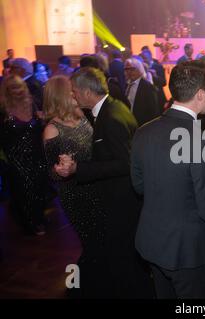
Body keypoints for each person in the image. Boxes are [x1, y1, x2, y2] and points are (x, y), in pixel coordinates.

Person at [131, 64, 205, 299]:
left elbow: (139, 186)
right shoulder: (199, 141)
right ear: (200, 95)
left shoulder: (143, 131)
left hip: (152, 244)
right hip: (187, 252)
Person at [54, 67, 154, 298]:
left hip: (121, 202)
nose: (73, 96)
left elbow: (124, 163)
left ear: (88, 92)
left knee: (124, 260)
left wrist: (79, 168)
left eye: (75, 91)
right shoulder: (115, 107)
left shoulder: (111, 117)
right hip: (123, 199)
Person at [42, 75, 107, 297]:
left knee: (100, 242)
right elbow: (51, 172)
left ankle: (90, 285)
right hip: (76, 195)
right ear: (60, 96)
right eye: (70, 91)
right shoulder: (52, 129)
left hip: (95, 187)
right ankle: (76, 289)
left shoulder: (82, 116)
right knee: (91, 245)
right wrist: (60, 170)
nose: (74, 93)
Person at [0, 75, 49, 235]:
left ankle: (38, 217)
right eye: (13, 88)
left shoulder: (32, 103)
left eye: (20, 87)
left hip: (37, 155)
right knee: (23, 189)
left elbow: (40, 128)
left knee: (40, 186)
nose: (17, 91)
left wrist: (42, 120)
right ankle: (30, 222)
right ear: (6, 91)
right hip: (16, 158)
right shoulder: (2, 108)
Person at [124, 58, 160, 127]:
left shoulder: (147, 86)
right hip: (130, 124)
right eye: (126, 69)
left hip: (143, 125)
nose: (129, 72)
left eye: (132, 69)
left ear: (139, 70)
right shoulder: (127, 84)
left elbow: (154, 110)